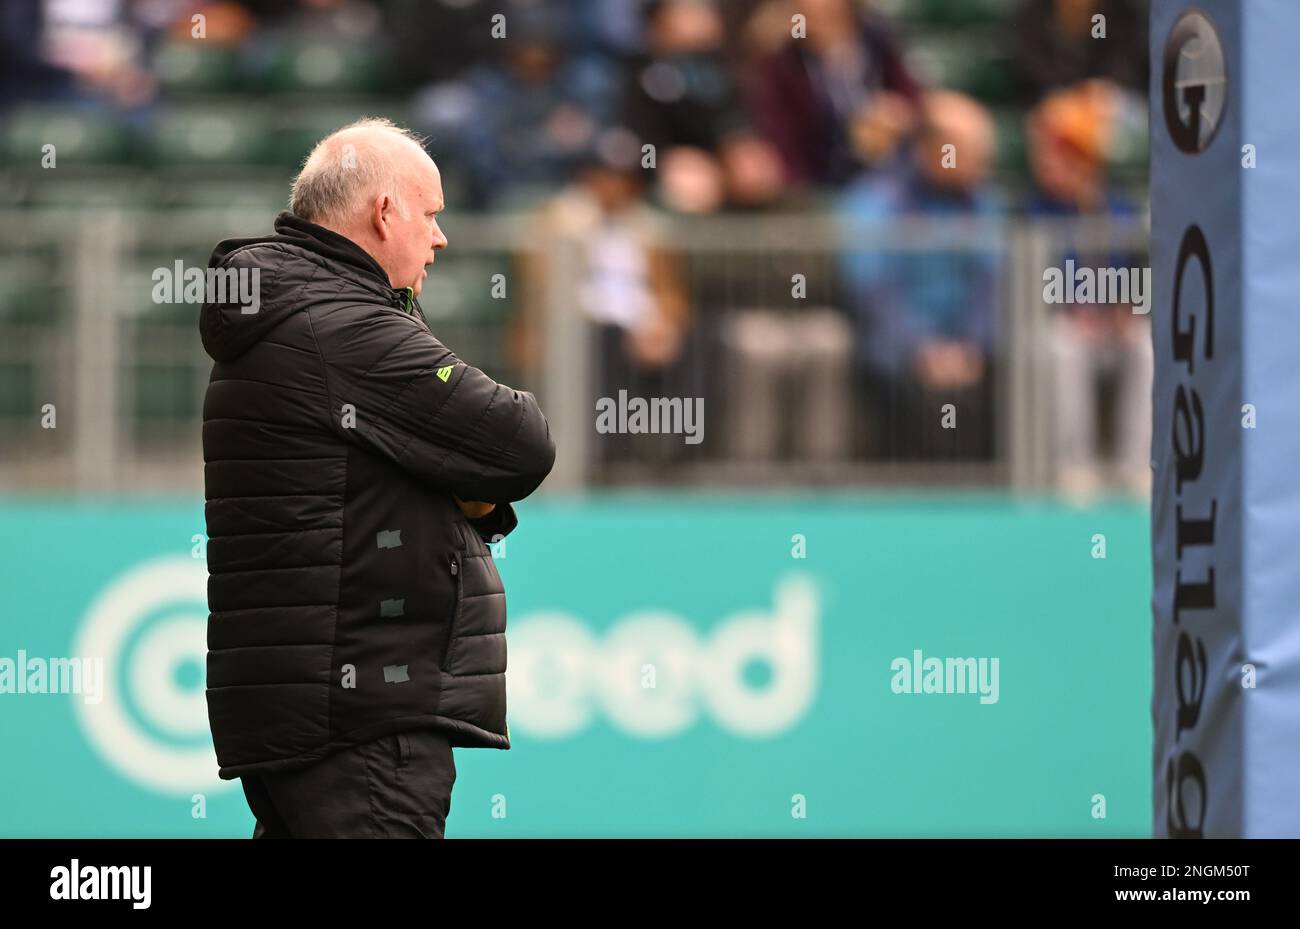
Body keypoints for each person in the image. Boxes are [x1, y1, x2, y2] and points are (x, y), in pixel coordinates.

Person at [198, 117, 556, 838]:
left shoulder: (295, 310)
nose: (441, 237)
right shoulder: (338, 323)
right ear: (384, 212)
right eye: (430, 215)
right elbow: (521, 441)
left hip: (316, 714)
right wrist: (462, 478)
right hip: (362, 719)